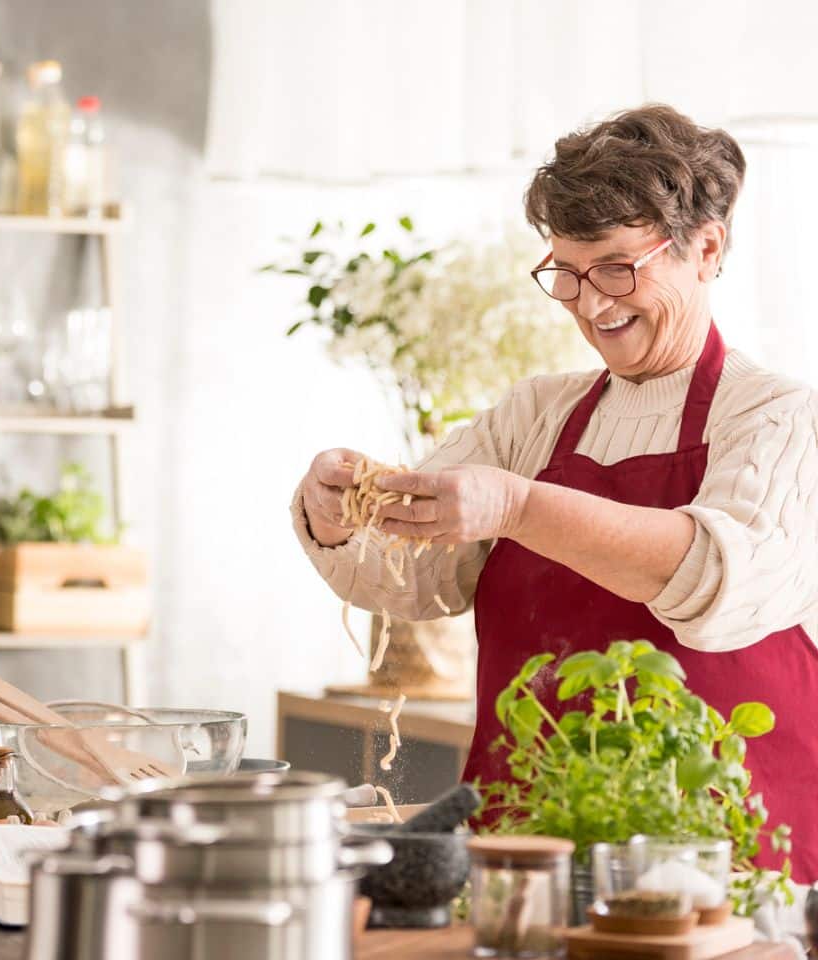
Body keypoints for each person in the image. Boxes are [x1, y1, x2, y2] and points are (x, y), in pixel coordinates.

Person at [293, 104, 818, 881]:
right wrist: (341, 514)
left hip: (724, 870)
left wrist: (519, 507)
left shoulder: (778, 417)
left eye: (615, 267)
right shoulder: (534, 416)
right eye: (565, 273)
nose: (591, 304)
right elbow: (416, 579)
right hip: (529, 852)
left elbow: (717, 582)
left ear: (706, 248)